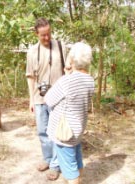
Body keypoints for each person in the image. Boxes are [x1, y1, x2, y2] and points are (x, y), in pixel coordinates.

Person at [44, 42, 95, 184]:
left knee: (70, 171)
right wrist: (68, 74)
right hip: (77, 130)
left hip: (64, 133)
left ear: (72, 59)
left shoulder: (66, 81)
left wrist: (67, 75)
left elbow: (48, 99)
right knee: (77, 163)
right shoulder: (90, 81)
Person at [26, 18, 68, 180]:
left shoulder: (61, 46)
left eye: (49, 34)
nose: (47, 38)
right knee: (43, 132)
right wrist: (31, 99)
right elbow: (30, 77)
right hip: (39, 98)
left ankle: (56, 165)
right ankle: (48, 158)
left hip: (59, 98)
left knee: (57, 132)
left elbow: (68, 69)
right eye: (43, 35)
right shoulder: (32, 52)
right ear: (36, 34)